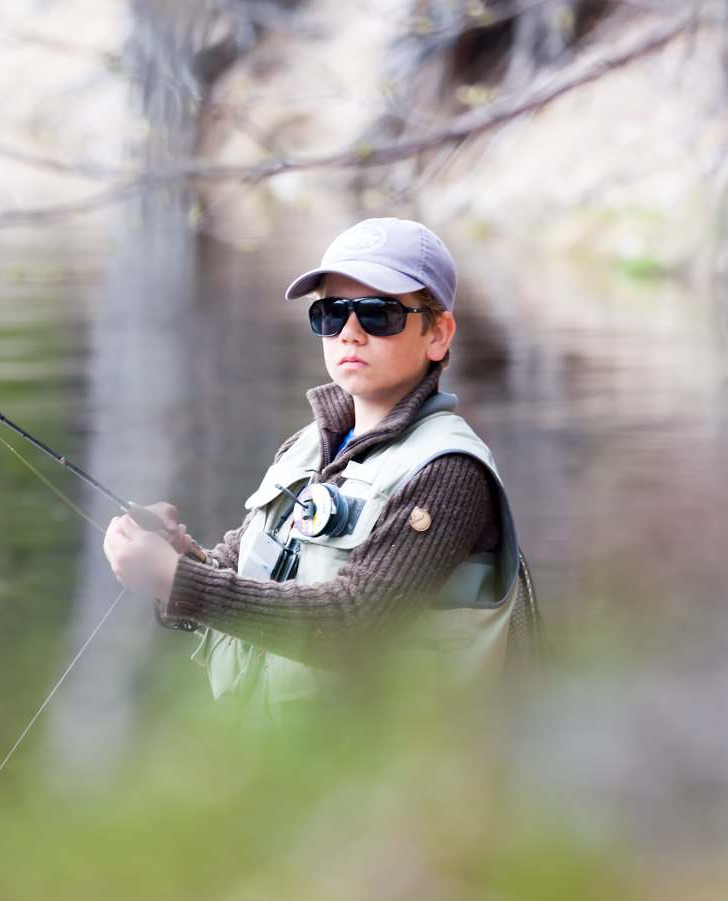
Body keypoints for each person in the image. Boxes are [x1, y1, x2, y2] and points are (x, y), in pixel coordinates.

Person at [103, 218, 541, 719]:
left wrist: (177, 582)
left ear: (437, 335)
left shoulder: (448, 474)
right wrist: (179, 557)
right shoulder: (308, 447)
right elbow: (239, 577)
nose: (350, 332)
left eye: (379, 314)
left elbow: (352, 626)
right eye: (331, 313)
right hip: (280, 770)